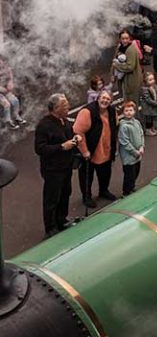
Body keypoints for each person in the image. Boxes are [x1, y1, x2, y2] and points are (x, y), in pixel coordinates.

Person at [34, 93, 79, 237]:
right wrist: (61, 147)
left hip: (66, 166)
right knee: (52, 198)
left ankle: (62, 220)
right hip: (52, 169)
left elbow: (69, 137)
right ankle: (50, 228)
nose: (68, 107)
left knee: (65, 193)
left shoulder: (64, 121)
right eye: (65, 106)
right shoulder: (44, 125)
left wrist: (75, 138)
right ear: (55, 108)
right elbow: (39, 149)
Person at [74, 89, 118, 208]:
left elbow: (116, 125)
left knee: (105, 173)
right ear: (98, 98)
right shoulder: (87, 112)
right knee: (87, 176)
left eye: (108, 99)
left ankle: (103, 191)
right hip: (90, 150)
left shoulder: (112, 111)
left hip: (106, 149)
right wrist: (84, 151)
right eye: (103, 98)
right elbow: (78, 131)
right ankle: (86, 196)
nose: (105, 101)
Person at [117, 100, 144, 197]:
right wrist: (134, 152)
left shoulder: (137, 122)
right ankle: (126, 192)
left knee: (136, 172)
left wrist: (141, 146)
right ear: (123, 112)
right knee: (129, 175)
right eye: (126, 110)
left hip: (138, 154)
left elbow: (141, 134)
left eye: (131, 110)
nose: (129, 112)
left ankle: (132, 187)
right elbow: (124, 141)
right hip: (129, 156)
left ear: (134, 111)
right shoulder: (123, 126)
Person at [113, 28, 142, 105]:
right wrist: (113, 74)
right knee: (125, 99)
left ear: (130, 39)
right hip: (123, 79)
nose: (125, 40)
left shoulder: (131, 49)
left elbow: (130, 67)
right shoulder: (120, 47)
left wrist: (117, 66)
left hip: (131, 80)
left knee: (131, 102)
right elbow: (114, 59)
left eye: (127, 38)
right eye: (123, 38)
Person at [0, 57, 24, 130]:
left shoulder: (6, 69)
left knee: (15, 101)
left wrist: (10, 83)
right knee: (7, 104)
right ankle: (8, 121)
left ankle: (16, 116)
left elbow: (10, 77)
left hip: (5, 90)